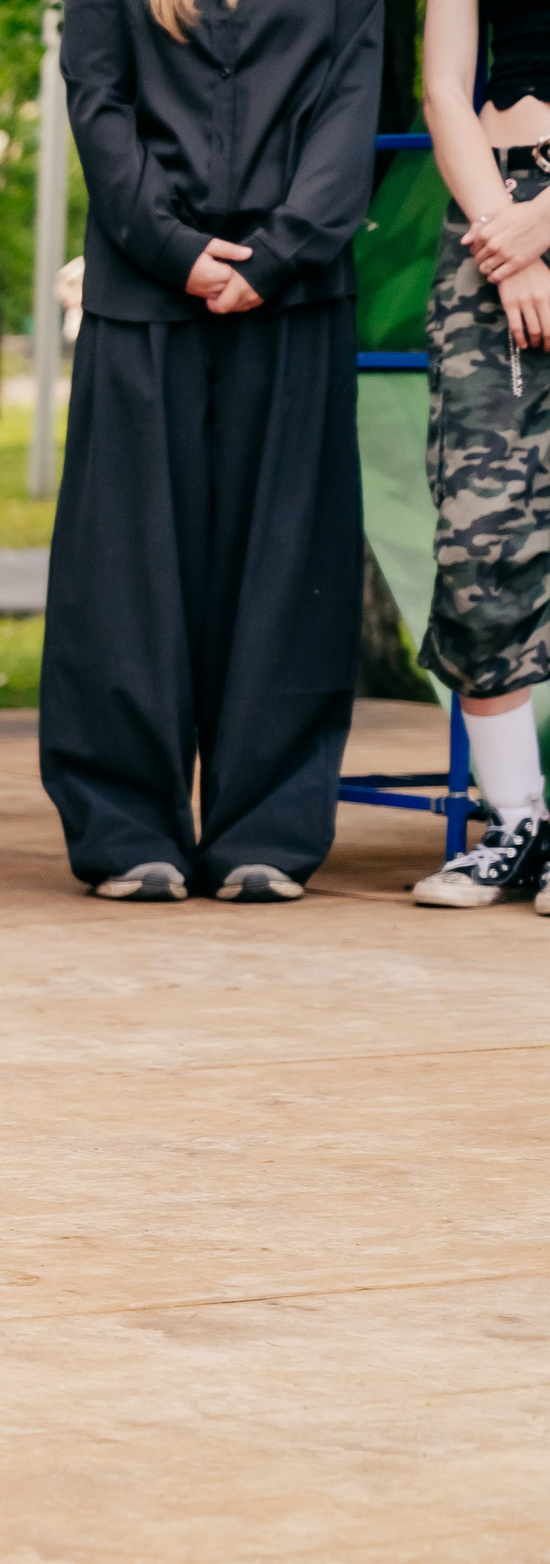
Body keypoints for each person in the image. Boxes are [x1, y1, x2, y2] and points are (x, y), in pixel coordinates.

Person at [39, 0, 381, 904]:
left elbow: (350, 118)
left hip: (296, 298)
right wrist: (176, 248)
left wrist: (275, 257)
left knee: (287, 560)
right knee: (125, 567)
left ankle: (265, 831)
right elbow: (99, 107)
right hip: (142, 290)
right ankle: (125, 829)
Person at [408, 0, 550, 909]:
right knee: (477, 542)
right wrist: (513, 237)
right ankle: (519, 822)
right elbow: (442, 89)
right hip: (488, 217)